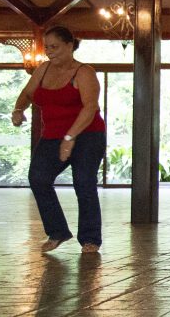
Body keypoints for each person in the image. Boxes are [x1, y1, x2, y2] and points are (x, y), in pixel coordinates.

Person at [11, 26, 106, 254]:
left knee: (83, 182)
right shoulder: (43, 69)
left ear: (69, 45)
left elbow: (90, 107)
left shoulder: (84, 72)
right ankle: (58, 232)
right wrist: (18, 109)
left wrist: (70, 137)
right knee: (38, 178)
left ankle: (90, 239)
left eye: (54, 47)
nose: (49, 52)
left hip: (87, 135)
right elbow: (27, 93)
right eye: (47, 47)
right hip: (53, 135)